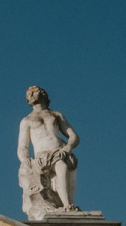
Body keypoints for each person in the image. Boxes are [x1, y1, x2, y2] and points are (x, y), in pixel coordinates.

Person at [16, 85, 80, 217]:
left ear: (43, 94)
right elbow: (22, 146)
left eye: (34, 92)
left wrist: (68, 148)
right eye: (28, 94)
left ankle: (67, 205)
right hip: (42, 158)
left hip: (59, 152)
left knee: (61, 166)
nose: (30, 95)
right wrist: (25, 161)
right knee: (58, 169)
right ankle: (65, 205)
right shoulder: (26, 121)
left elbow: (74, 137)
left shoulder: (56, 115)